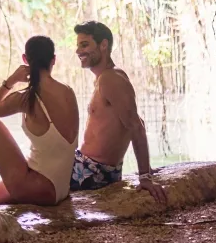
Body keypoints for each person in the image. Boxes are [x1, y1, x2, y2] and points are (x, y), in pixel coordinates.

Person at [0, 35, 79, 209]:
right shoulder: (68, 91)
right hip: (61, 189)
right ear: (53, 60)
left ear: (25, 60)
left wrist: (11, 80)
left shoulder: (26, 98)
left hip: (39, 188)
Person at [71, 20, 168, 205]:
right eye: (78, 46)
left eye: (84, 45)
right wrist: (146, 167)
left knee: (31, 174)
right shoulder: (105, 78)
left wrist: (145, 177)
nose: (78, 51)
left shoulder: (111, 79)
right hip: (88, 167)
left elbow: (136, 126)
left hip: (92, 172)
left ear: (103, 45)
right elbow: (136, 120)